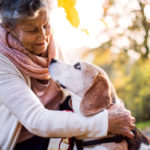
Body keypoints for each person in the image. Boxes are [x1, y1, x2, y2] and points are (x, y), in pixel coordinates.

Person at [0, 0, 135, 150]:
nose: (43, 36)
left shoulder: (49, 43)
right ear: (8, 28)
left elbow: (75, 87)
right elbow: (35, 120)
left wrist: (115, 111)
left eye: (46, 25)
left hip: (63, 114)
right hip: (29, 139)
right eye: (32, 30)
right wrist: (104, 122)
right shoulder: (3, 62)